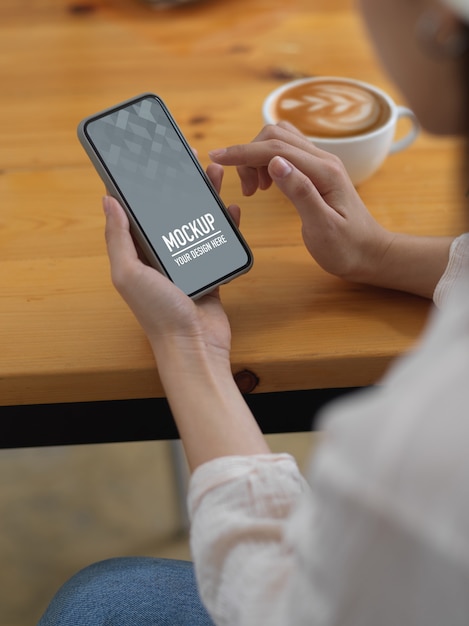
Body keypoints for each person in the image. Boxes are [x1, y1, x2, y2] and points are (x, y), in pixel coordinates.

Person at [38, 0, 469, 624]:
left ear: (440, 25)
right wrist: (378, 254)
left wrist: (191, 345)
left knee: (96, 601)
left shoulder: (416, 442)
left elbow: (276, 604)